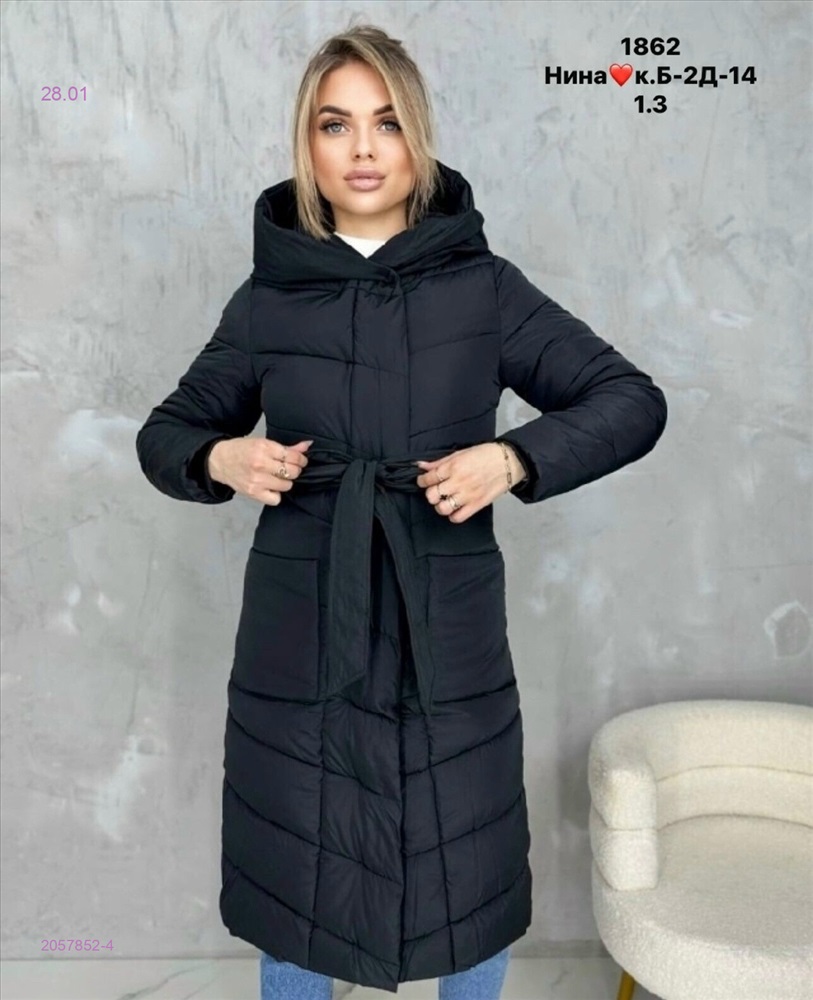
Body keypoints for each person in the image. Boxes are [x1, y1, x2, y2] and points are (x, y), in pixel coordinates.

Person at [135, 22, 667, 1000]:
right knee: (297, 895)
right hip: (301, 633)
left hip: (444, 625)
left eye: (386, 122)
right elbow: (165, 433)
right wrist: (221, 455)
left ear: (416, 136)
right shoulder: (267, 300)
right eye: (335, 124)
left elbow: (629, 400)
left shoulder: (485, 289)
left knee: (468, 886)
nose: (364, 149)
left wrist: (512, 457)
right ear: (308, 143)